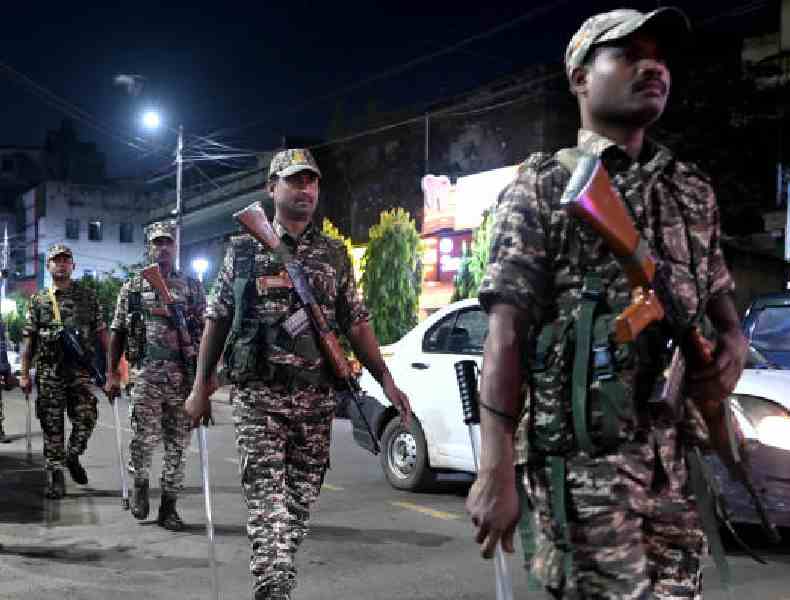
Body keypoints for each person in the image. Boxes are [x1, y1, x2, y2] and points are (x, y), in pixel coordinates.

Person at [465, 8, 749, 599]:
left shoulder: (691, 189)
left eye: (661, 57)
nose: (653, 67)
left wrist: (735, 345)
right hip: (585, 464)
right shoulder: (541, 187)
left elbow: (720, 301)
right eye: (627, 54)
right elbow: (506, 335)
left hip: (673, 465)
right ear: (579, 77)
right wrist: (495, 469)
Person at [184, 148, 412, 600]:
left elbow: (357, 321)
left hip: (316, 401)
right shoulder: (243, 250)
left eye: (312, 182)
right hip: (260, 398)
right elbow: (217, 319)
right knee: (267, 500)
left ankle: (276, 573)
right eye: (295, 181)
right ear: (272, 188)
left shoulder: (333, 254)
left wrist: (384, 378)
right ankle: (274, 587)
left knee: (299, 504)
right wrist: (200, 387)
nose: (306, 189)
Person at [106, 221, 206, 531]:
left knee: (178, 446)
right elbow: (118, 332)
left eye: (168, 242)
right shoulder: (133, 287)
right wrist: (112, 373)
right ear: (148, 247)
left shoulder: (192, 287)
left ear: (176, 247)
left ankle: (169, 507)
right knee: (143, 440)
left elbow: (205, 334)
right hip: (146, 375)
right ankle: (139, 484)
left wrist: (205, 382)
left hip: (182, 378)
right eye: (157, 242)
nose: (163, 247)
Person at [19, 244, 109, 498]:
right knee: (52, 425)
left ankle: (72, 455)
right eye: (55, 260)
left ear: (73, 266)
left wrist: (114, 369)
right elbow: (29, 341)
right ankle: (55, 474)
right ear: (48, 266)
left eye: (65, 260)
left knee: (87, 417)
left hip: (79, 372)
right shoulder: (39, 300)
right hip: (49, 373)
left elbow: (102, 333)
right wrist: (25, 374)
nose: (61, 264)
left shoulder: (87, 296)